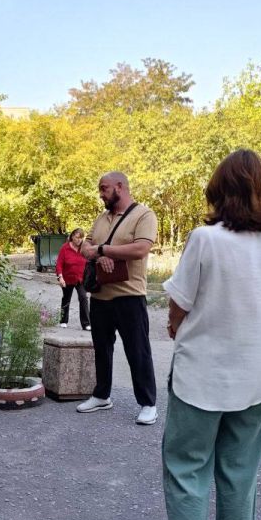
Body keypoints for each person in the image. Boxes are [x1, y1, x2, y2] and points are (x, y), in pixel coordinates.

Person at [141, 149, 261, 520]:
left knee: (187, 470)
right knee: (239, 471)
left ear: (217, 189)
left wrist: (176, 325)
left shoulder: (204, 239)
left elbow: (179, 303)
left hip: (204, 373)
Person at [77, 171, 158, 425]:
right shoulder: (102, 218)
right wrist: (98, 255)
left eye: (104, 188)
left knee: (138, 351)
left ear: (120, 187)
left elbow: (141, 249)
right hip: (100, 295)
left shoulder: (144, 215)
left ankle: (148, 404)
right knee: (102, 349)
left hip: (129, 296)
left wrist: (103, 249)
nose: (101, 194)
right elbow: (84, 246)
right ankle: (102, 395)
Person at [55, 228, 91, 330]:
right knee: (66, 298)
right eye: (77, 237)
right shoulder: (65, 248)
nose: (79, 240)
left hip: (80, 278)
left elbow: (90, 260)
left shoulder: (84, 248)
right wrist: (60, 277)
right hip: (67, 278)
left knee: (83, 298)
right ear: (72, 237)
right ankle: (63, 320)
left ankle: (86, 324)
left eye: (81, 238)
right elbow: (59, 264)